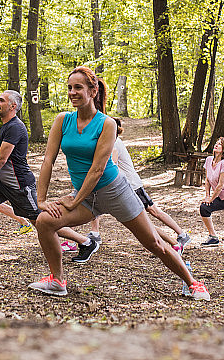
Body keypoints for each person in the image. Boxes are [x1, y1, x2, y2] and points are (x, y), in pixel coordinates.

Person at [29, 66, 209, 299]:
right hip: (85, 195)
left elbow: (97, 170)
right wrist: (41, 200)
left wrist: (74, 201)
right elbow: (47, 161)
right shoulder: (62, 120)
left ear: (93, 91)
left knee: (153, 242)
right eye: (69, 88)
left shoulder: (107, 124)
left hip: (114, 191)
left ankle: (193, 282)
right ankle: (57, 280)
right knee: (44, 221)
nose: (72, 92)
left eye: (78, 88)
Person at [0, 90, 90, 258]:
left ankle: (85, 242)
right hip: (1, 182)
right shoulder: (4, 127)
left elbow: (1, 159)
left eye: (1, 100)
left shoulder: (15, 127)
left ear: (12, 106)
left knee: (40, 221)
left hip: (19, 185)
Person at [112, 117, 191, 252]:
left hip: (132, 186)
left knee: (146, 218)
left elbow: (112, 166)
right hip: (132, 184)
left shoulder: (113, 144)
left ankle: (177, 242)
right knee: (153, 213)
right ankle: (181, 236)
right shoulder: (115, 142)